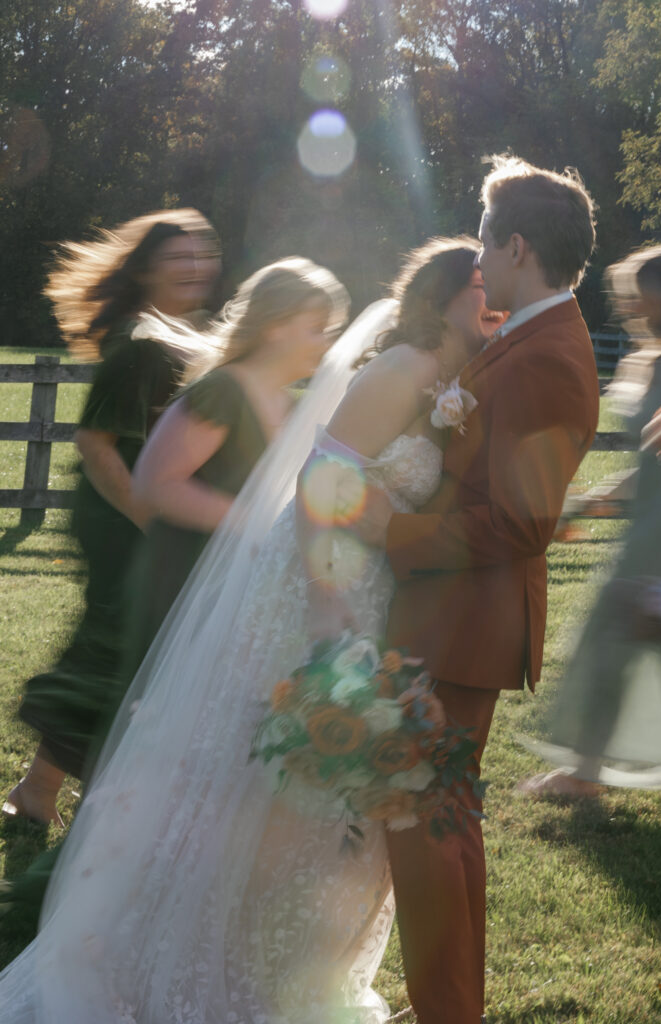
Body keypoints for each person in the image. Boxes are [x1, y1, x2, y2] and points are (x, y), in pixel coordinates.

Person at [0, 237, 501, 1019]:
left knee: (322, 799)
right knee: (262, 781)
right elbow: (320, 478)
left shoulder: (451, 378)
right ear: (442, 296)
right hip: (319, 588)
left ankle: (284, 972)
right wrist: (323, 598)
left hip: (372, 592)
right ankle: (191, 963)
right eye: (479, 287)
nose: (493, 298)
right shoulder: (401, 367)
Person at [345, 157, 600, 1024]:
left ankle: (449, 1011)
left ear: (517, 245)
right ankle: (451, 1007)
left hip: (460, 625)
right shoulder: (528, 337)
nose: (477, 259)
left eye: (485, 239)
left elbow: (519, 524)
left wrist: (393, 531)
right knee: (439, 824)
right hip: (452, 618)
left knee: (423, 830)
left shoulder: (548, 357)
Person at [3, 209, 222, 827]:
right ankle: (52, 791)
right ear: (148, 269)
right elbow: (97, 445)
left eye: (202, 255)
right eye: (179, 257)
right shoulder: (141, 342)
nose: (195, 267)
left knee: (125, 647)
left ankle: (42, 790)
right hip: (120, 513)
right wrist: (149, 522)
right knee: (119, 646)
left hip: (152, 515)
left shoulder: (183, 333)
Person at [122, 256, 350, 681]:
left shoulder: (288, 404)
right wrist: (255, 523)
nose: (327, 342)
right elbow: (154, 484)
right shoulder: (223, 391)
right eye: (317, 327)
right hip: (184, 586)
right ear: (275, 325)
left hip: (241, 594)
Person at [518, 244, 661, 797]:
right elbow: (650, 467)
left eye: (644, 296)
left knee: (647, 645)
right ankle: (585, 772)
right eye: (631, 298)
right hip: (647, 542)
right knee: (613, 646)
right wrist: (589, 504)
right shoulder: (653, 363)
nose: (634, 308)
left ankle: (585, 772)